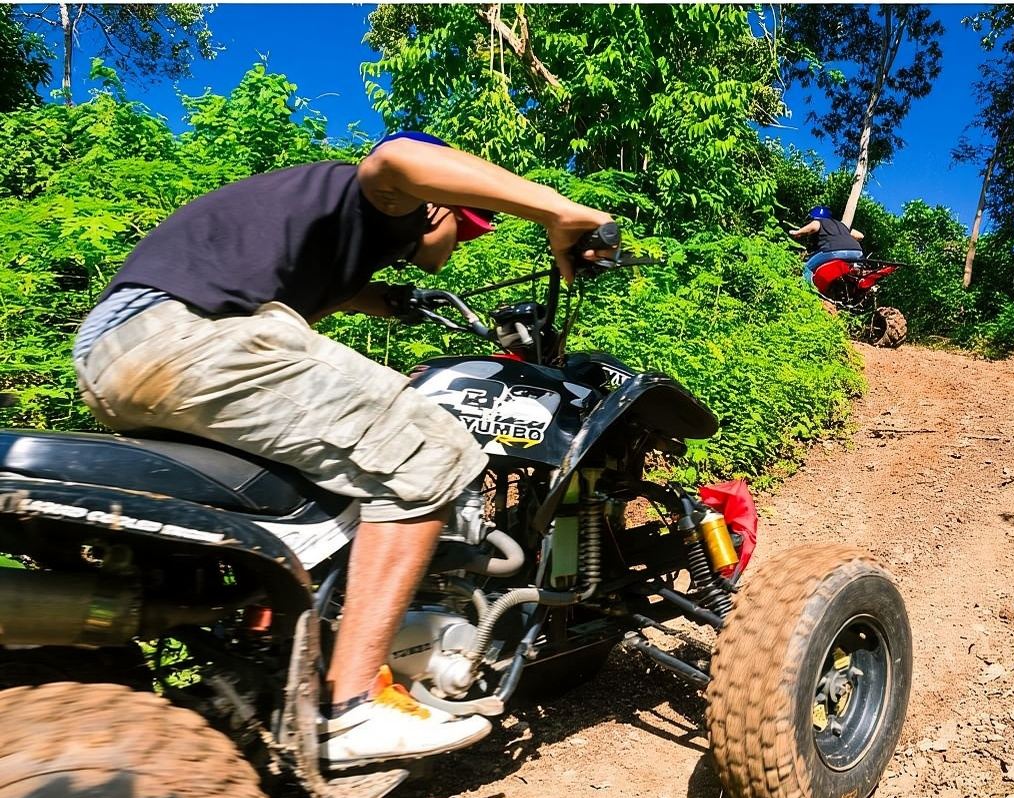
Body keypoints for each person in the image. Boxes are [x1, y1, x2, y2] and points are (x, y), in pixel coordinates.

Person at [72, 131, 616, 765]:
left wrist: (390, 303)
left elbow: (316, 291)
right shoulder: (389, 196)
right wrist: (560, 211)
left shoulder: (317, 230)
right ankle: (349, 708)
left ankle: (277, 656)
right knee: (431, 453)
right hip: (186, 335)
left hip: (114, 353)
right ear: (434, 205)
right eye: (464, 232)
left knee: (319, 492)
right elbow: (396, 159)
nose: (459, 247)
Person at [790, 205, 865, 285]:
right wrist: (844, 236)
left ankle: (806, 288)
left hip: (833, 251)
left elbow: (814, 226)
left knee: (807, 267)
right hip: (857, 252)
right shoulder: (841, 225)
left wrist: (797, 232)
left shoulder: (819, 221)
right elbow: (860, 235)